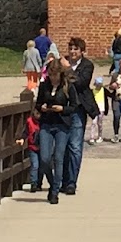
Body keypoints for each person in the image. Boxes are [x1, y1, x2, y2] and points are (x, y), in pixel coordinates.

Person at [32, 57, 72, 203]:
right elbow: (37, 104)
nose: (53, 78)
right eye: (50, 75)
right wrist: (41, 107)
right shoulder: (44, 86)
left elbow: (74, 106)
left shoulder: (67, 86)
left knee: (59, 158)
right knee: (44, 158)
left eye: (55, 75)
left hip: (62, 124)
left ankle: (54, 191)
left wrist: (62, 108)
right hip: (47, 123)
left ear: (60, 74)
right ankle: (52, 182)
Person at [60, 37, 93, 193]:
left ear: (82, 51)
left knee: (75, 146)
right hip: (62, 109)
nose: (72, 52)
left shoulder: (87, 65)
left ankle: (72, 182)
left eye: (76, 49)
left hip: (78, 109)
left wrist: (68, 70)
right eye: (71, 49)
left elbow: (81, 83)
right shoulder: (62, 62)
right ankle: (63, 180)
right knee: (62, 147)